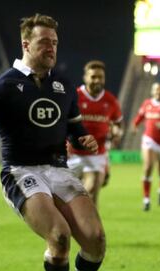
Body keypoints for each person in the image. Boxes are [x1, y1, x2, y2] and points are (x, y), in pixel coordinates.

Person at [0, 14, 106, 271]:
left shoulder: (62, 86)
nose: (51, 48)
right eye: (44, 42)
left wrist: (83, 138)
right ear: (26, 44)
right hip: (21, 171)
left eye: (55, 43)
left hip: (58, 170)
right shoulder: (3, 86)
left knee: (96, 240)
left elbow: (75, 128)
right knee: (59, 236)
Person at [66, 60, 123, 206]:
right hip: (72, 154)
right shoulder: (73, 97)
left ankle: (90, 228)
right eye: (93, 77)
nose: (97, 80)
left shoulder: (110, 101)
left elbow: (118, 124)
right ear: (85, 78)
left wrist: (117, 133)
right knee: (67, 200)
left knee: (91, 193)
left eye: (100, 77)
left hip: (97, 155)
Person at [133, 82, 160, 211]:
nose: (158, 92)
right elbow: (139, 117)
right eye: (156, 90)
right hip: (149, 140)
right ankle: (146, 199)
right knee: (148, 167)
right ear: (152, 91)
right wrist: (135, 125)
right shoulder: (146, 103)